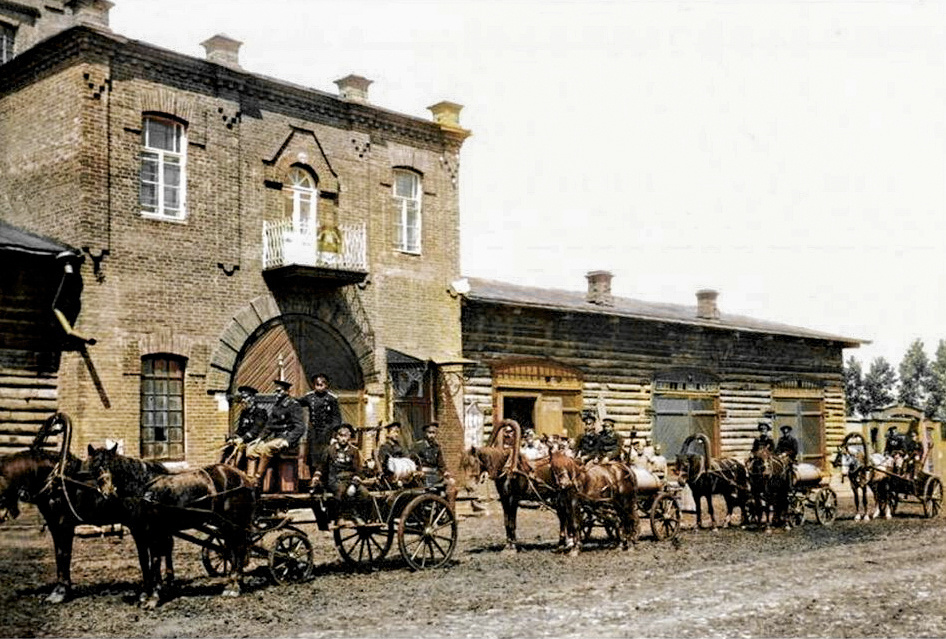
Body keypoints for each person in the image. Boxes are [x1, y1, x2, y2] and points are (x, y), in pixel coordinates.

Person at [244, 379, 305, 485]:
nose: (277, 393)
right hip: (276, 438)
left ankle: (257, 479)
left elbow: (300, 427)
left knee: (266, 448)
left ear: (287, 392)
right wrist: (259, 438)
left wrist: (288, 440)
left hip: (287, 440)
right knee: (251, 449)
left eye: (280, 391)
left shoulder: (293, 405)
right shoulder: (277, 405)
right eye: (276, 391)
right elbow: (269, 426)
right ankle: (249, 479)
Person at [312, 423, 370, 520]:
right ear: (337, 436)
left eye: (346, 436)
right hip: (335, 479)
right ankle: (340, 517)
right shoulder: (329, 450)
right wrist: (316, 477)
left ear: (349, 437)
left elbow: (358, 470)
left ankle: (361, 517)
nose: (343, 439)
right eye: (341, 436)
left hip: (350, 480)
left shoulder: (354, 451)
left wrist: (354, 485)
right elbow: (321, 466)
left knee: (364, 493)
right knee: (341, 491)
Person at [298, 373, 342, 479]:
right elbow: (297, 402)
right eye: (317, 384)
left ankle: (325, 480)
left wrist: (334, 435)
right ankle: (314, 479)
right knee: (313, 456)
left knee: (325, 456)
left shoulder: (331, 399)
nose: (319, 386)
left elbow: (337, 417)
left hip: (326, 431)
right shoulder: (310, 397)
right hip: (313, 432)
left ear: (326, 385)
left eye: (322, 384)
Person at [411, 422, 457, 509]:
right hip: (423, 477)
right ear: (425, 433)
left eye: (434, 433)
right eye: (429, 433)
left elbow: (441, 464)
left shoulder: (437, 447)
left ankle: (449, 512)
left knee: (452, 488)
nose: (432, 435)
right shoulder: (418, 446)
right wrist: (417, 471)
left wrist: (447, 474)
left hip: (436, 476)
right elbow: (412, 461)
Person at [224, 385, 268, 465]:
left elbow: (255, 431)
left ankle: (240, 473)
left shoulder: (260, 412)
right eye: (242, 398)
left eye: (245, 398)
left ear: (252, 398)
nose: (243, 400)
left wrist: (242, 439)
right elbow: (241, 429)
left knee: (241, 449)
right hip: (245, 440)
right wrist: (234, 437)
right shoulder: (244, 413)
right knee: (226, 447)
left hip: (258, 440)